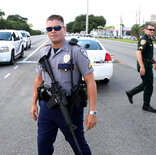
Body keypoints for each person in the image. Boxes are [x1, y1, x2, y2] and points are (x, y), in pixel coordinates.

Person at [30, 14, 97, 155]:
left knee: (79, 146)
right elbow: (39, 79)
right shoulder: (43, 52)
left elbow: (90, 81)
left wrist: (92, 111)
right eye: (49, 28)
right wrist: (33, 103)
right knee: (43, 146)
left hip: (70, 108)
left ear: (64, 29)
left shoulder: (76, 51)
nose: (53, 31)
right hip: (47, 107)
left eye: (57, 27)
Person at [126, 24, 156, 113]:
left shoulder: (149, 39)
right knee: (148, 86)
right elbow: (138, 53)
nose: (152, 31)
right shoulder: (144, 40)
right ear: (145, 30)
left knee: (147, 84)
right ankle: (146, 105)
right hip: (144, 65)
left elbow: (149, 55)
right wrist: (142, 67)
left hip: (148, 65)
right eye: (150, 29)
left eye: (153, 29)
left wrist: (155, 62)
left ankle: (131, 93)